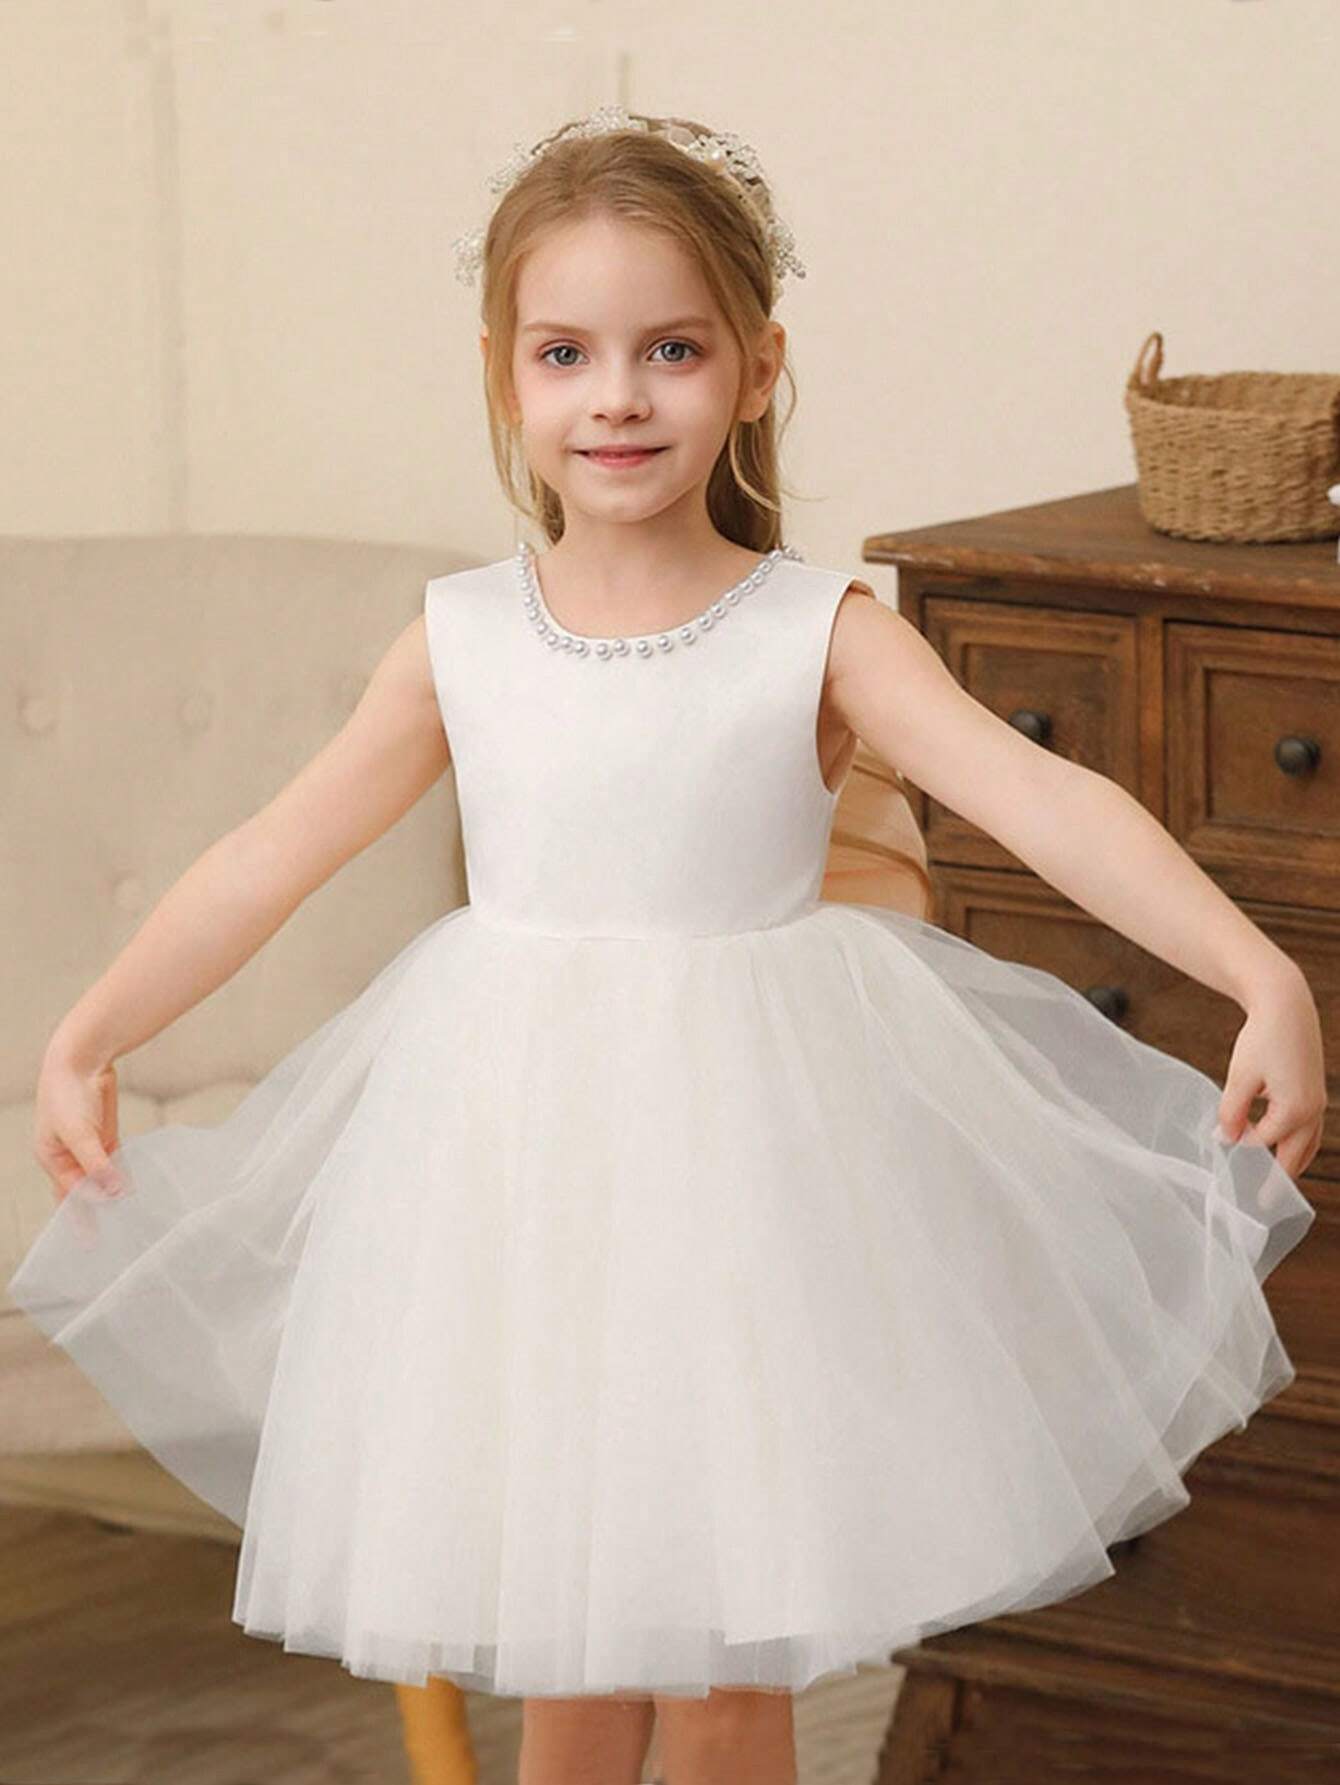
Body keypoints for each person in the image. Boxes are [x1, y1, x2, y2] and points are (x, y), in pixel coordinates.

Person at [8, 105, 1323, 1785]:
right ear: (507, 379)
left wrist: (1261, 971)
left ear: (758, 368)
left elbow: (1048, 801)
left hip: (749, 1188)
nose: (617, 395)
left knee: (720, 1673)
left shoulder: (816, 632)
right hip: (519, 1191)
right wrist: (93, 1027)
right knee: (575, 1660)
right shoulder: (462, 638)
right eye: (566, 352)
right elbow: (271, 853)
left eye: (672, 350)